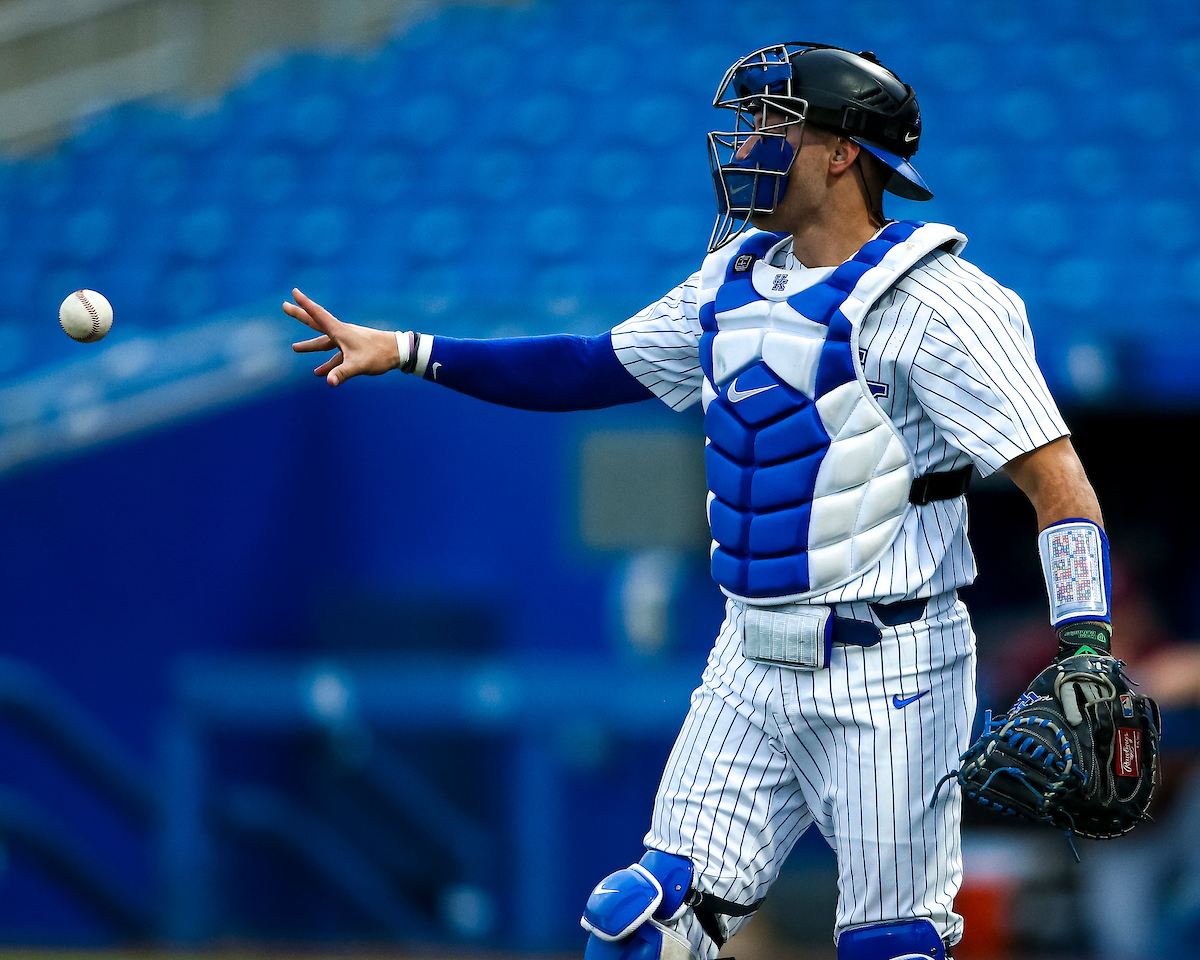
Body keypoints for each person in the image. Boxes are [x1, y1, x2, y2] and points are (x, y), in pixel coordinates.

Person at [285, 43, 1114, 960]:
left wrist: (1086, 644)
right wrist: (407, 348)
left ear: (842, 152)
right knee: (634, 924)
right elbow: (587, 365)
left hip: (896, 662)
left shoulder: (941, 299)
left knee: (892, 946)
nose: (747, 141)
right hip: (747, 658)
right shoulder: (730, 277)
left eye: (773, 122)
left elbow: (1059, 485)